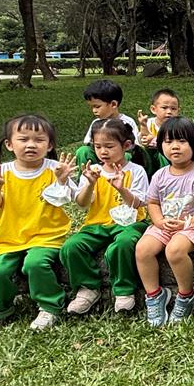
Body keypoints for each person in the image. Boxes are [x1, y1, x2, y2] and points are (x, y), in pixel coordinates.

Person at [0, 114, 77, 336]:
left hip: (47, 236)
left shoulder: (55, 169)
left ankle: (50, 306)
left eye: (39, 140)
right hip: (8, 237)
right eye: (23, 139)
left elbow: (68, 199)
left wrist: (62, 180)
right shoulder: (2, 172)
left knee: (35, 264)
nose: (31, 145)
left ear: (49, 145)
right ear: (9, 144)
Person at [135, 117, 194, 328]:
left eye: (182, 141)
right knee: (143, 250)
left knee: (174, 251)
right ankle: (154, 295)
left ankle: (186, 294)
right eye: (168, 141)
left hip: (193, 226)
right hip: (164, 225)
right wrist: (159, 221)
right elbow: (153, 202)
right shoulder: (160, 175)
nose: (174, 147)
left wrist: (187, 223)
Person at [61, 119, 150, 317]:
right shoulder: (93, 172)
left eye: (109, 146)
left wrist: (122, 189)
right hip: (96, 224)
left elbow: (138, 204)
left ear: (126, 145)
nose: (103, 152)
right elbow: (83, 203)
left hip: (130, 223)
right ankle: (87, 289)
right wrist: (90, 184)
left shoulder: (136, 171)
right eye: (98, 146)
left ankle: (124, 290)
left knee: (123, 244)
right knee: (71, 247)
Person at [75, 80, 139, 167]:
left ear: (113, 104)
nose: (94, 111)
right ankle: (86, 174)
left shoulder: (127, 122)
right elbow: (88, 142)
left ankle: (122, 174)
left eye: (97, 106)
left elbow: (134, 146)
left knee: (127, 155)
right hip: (100, 156)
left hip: (120, 158)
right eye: (92, 107)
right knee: (83, 151)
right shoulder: (96, 122)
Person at [136, 88, 180, 175]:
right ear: (153, 109)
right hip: (149, 159)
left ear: (178, 110)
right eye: (164, 108)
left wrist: (153, 139)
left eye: (173, 109)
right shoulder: (149, 123)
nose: (169, 112)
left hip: (169, 159)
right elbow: (143, 139)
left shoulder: (178, 126)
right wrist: (143, 126)